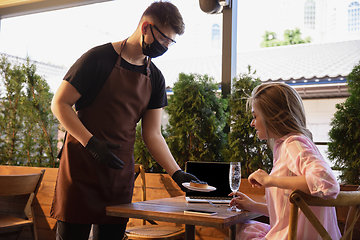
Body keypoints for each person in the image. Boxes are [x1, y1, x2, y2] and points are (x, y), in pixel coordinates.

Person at [50, 1, 199, 240]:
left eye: (170, 43)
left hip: (117, 176)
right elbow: (59, 104)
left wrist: (176, 172)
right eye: (163, 40)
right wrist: (91, 142)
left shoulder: (156, 79)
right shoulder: (96, 59)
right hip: (80, 170)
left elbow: (152, 134)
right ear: (146, 27)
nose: (165, 47)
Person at [229, 82, 341, 240]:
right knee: (243, 227)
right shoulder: (285, 146)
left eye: (255, 116)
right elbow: (290, 211)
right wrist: (252, 205)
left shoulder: (293, 144)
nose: (252, 123)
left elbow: (327, 183)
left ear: (272, 115)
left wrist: (270, 180)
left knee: (240, 231)